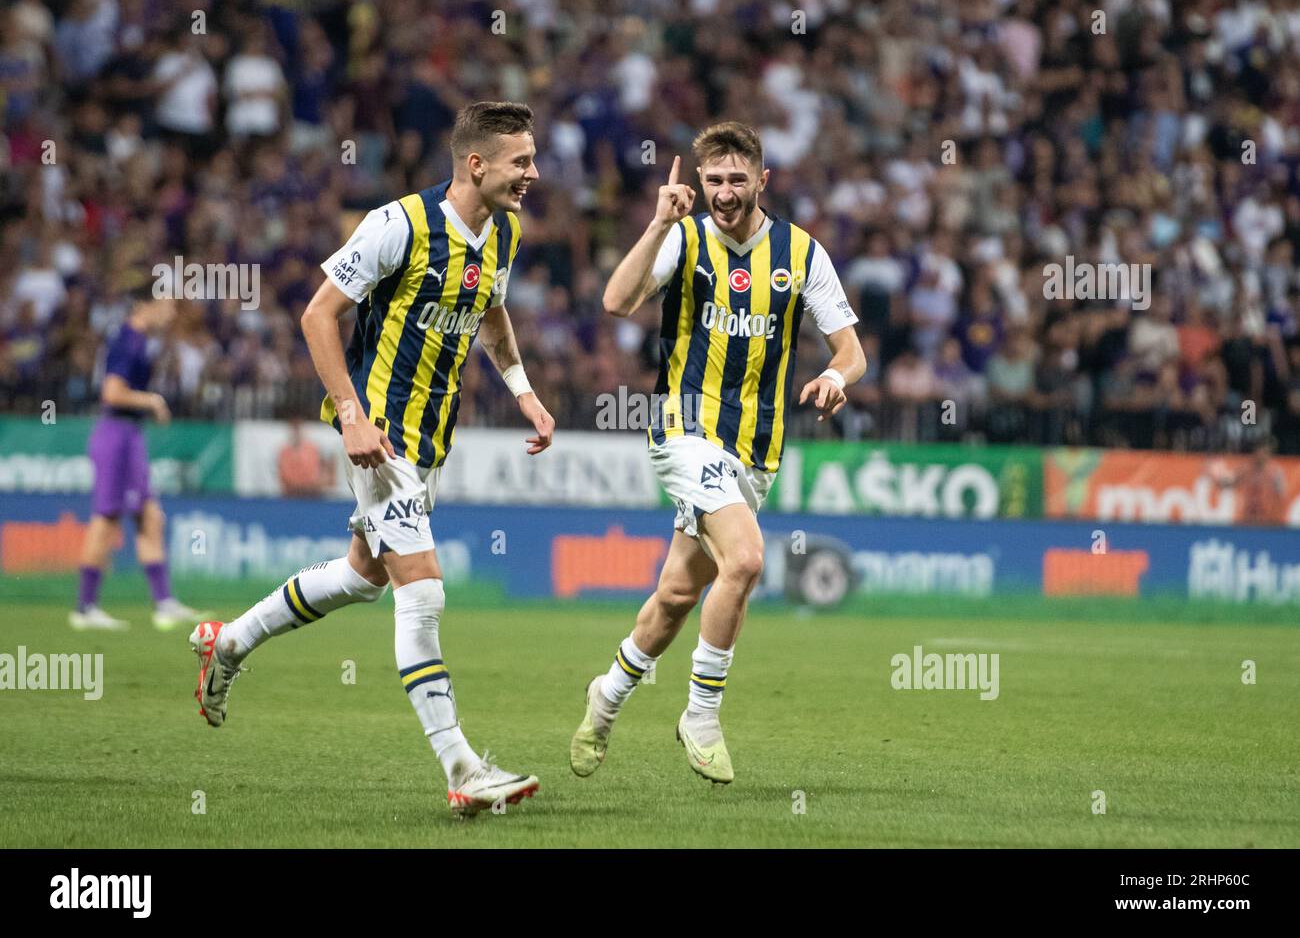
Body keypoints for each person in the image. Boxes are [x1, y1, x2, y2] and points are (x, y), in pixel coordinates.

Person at [187, 102, 555, 818]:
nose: (533, 174)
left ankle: (227, 643)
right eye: (521, 162)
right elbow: (317, 314)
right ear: (476, 163)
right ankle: (463, 769)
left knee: (362, 576)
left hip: (430, 440)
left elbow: (492, 314)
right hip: (380, 437)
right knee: (424, 595)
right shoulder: (400, 225)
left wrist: (526, 393)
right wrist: (352, 414)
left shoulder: (503, 234)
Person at [570, 123, 866, 783]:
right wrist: (655, 225)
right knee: (749, 558)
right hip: (683, 428)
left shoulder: (802, 253)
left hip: (755, 451)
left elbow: (851, 349)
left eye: (737, 180)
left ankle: (608, 695)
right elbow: (616, 302)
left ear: (763, 180)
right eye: (713, 181)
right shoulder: (685, 238)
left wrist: (836, 377)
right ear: (698, 184)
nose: (725, 193)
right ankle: (701, 714)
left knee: (677, 595)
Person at [70, 295, 209, 632]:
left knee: (150, 516)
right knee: (106, 519)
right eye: (166, 304)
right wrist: (153, 400)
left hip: (129, 435)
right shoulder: (127, 340)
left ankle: (164, 604)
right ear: (144, 304)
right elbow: (112, 393)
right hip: (116, 435)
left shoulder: (140, 341)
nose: (171, 311)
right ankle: (85, 608)